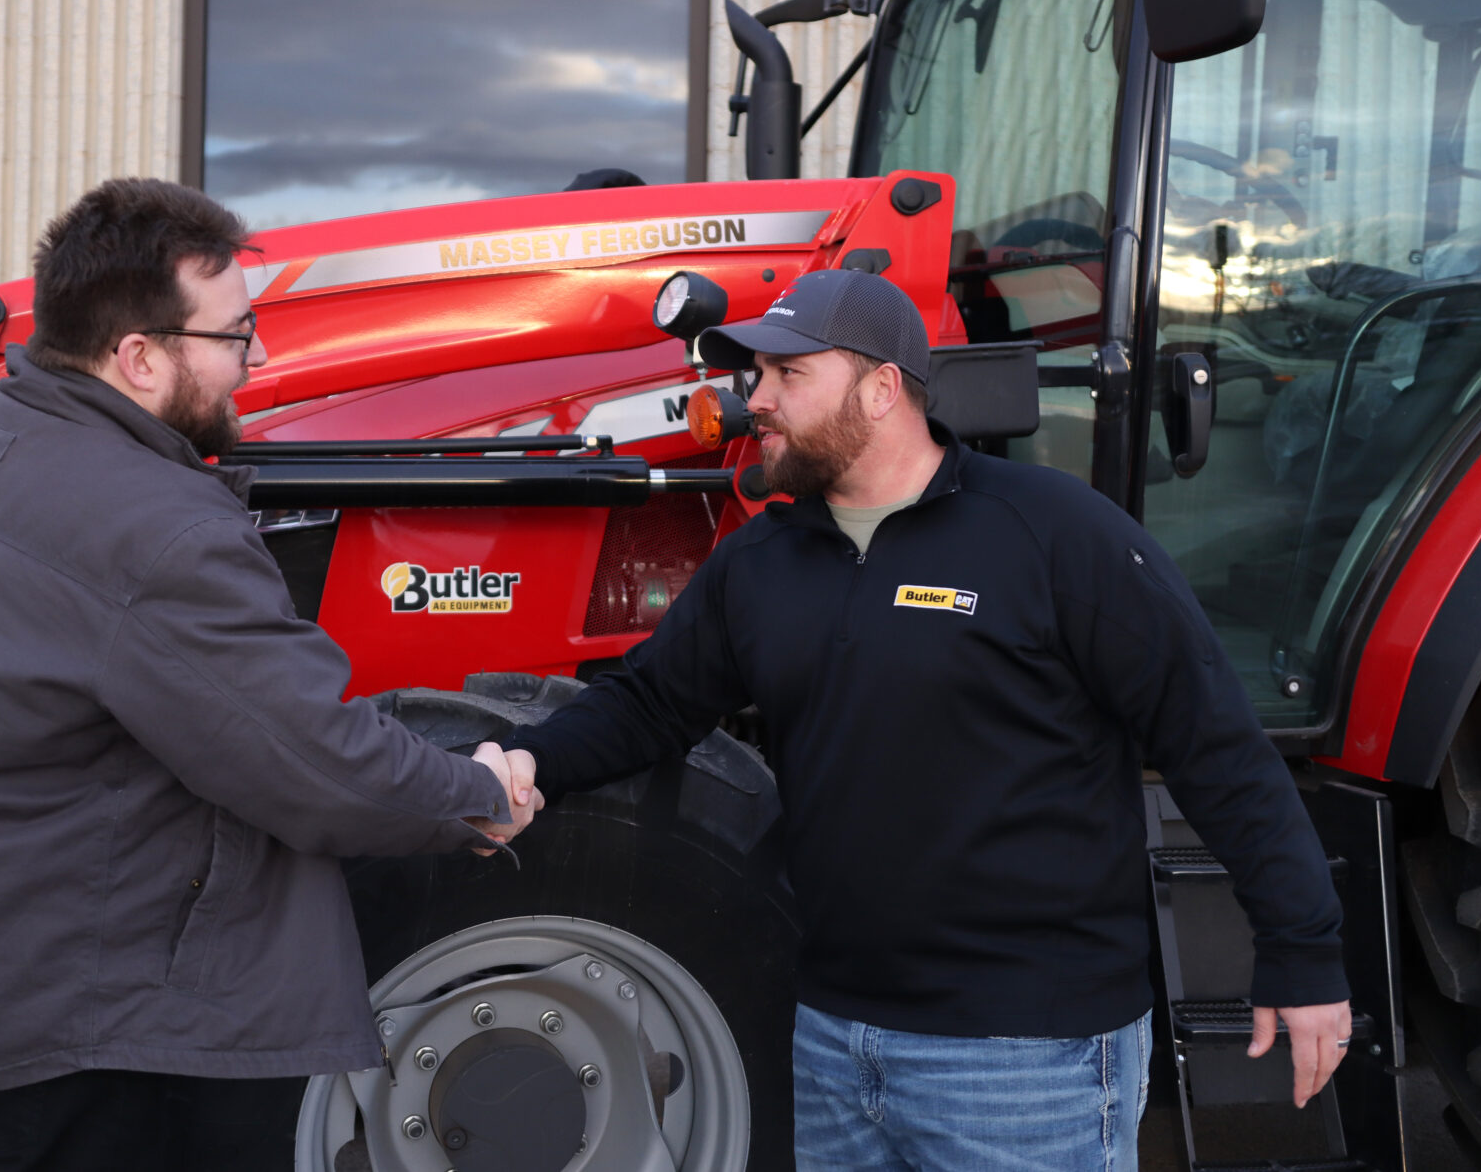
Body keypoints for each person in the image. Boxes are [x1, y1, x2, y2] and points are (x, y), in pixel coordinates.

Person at [500, 268, 1351, 1170]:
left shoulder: (1053, 534)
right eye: (756, 376)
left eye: (788, 375)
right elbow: (648, 703)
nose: (757, 401)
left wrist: (1302, 952)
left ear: (879, 388)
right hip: (834, 1041)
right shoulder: (763, 561)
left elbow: (1211, 742)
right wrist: (516, 764)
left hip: (1026, 1059)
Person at [0, 177, 540, 1172]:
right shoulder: (156, 526)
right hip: (66, 1043)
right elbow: (314, 764)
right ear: (140, 355)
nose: (260, 359)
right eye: (237, 336)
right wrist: (473, 793)